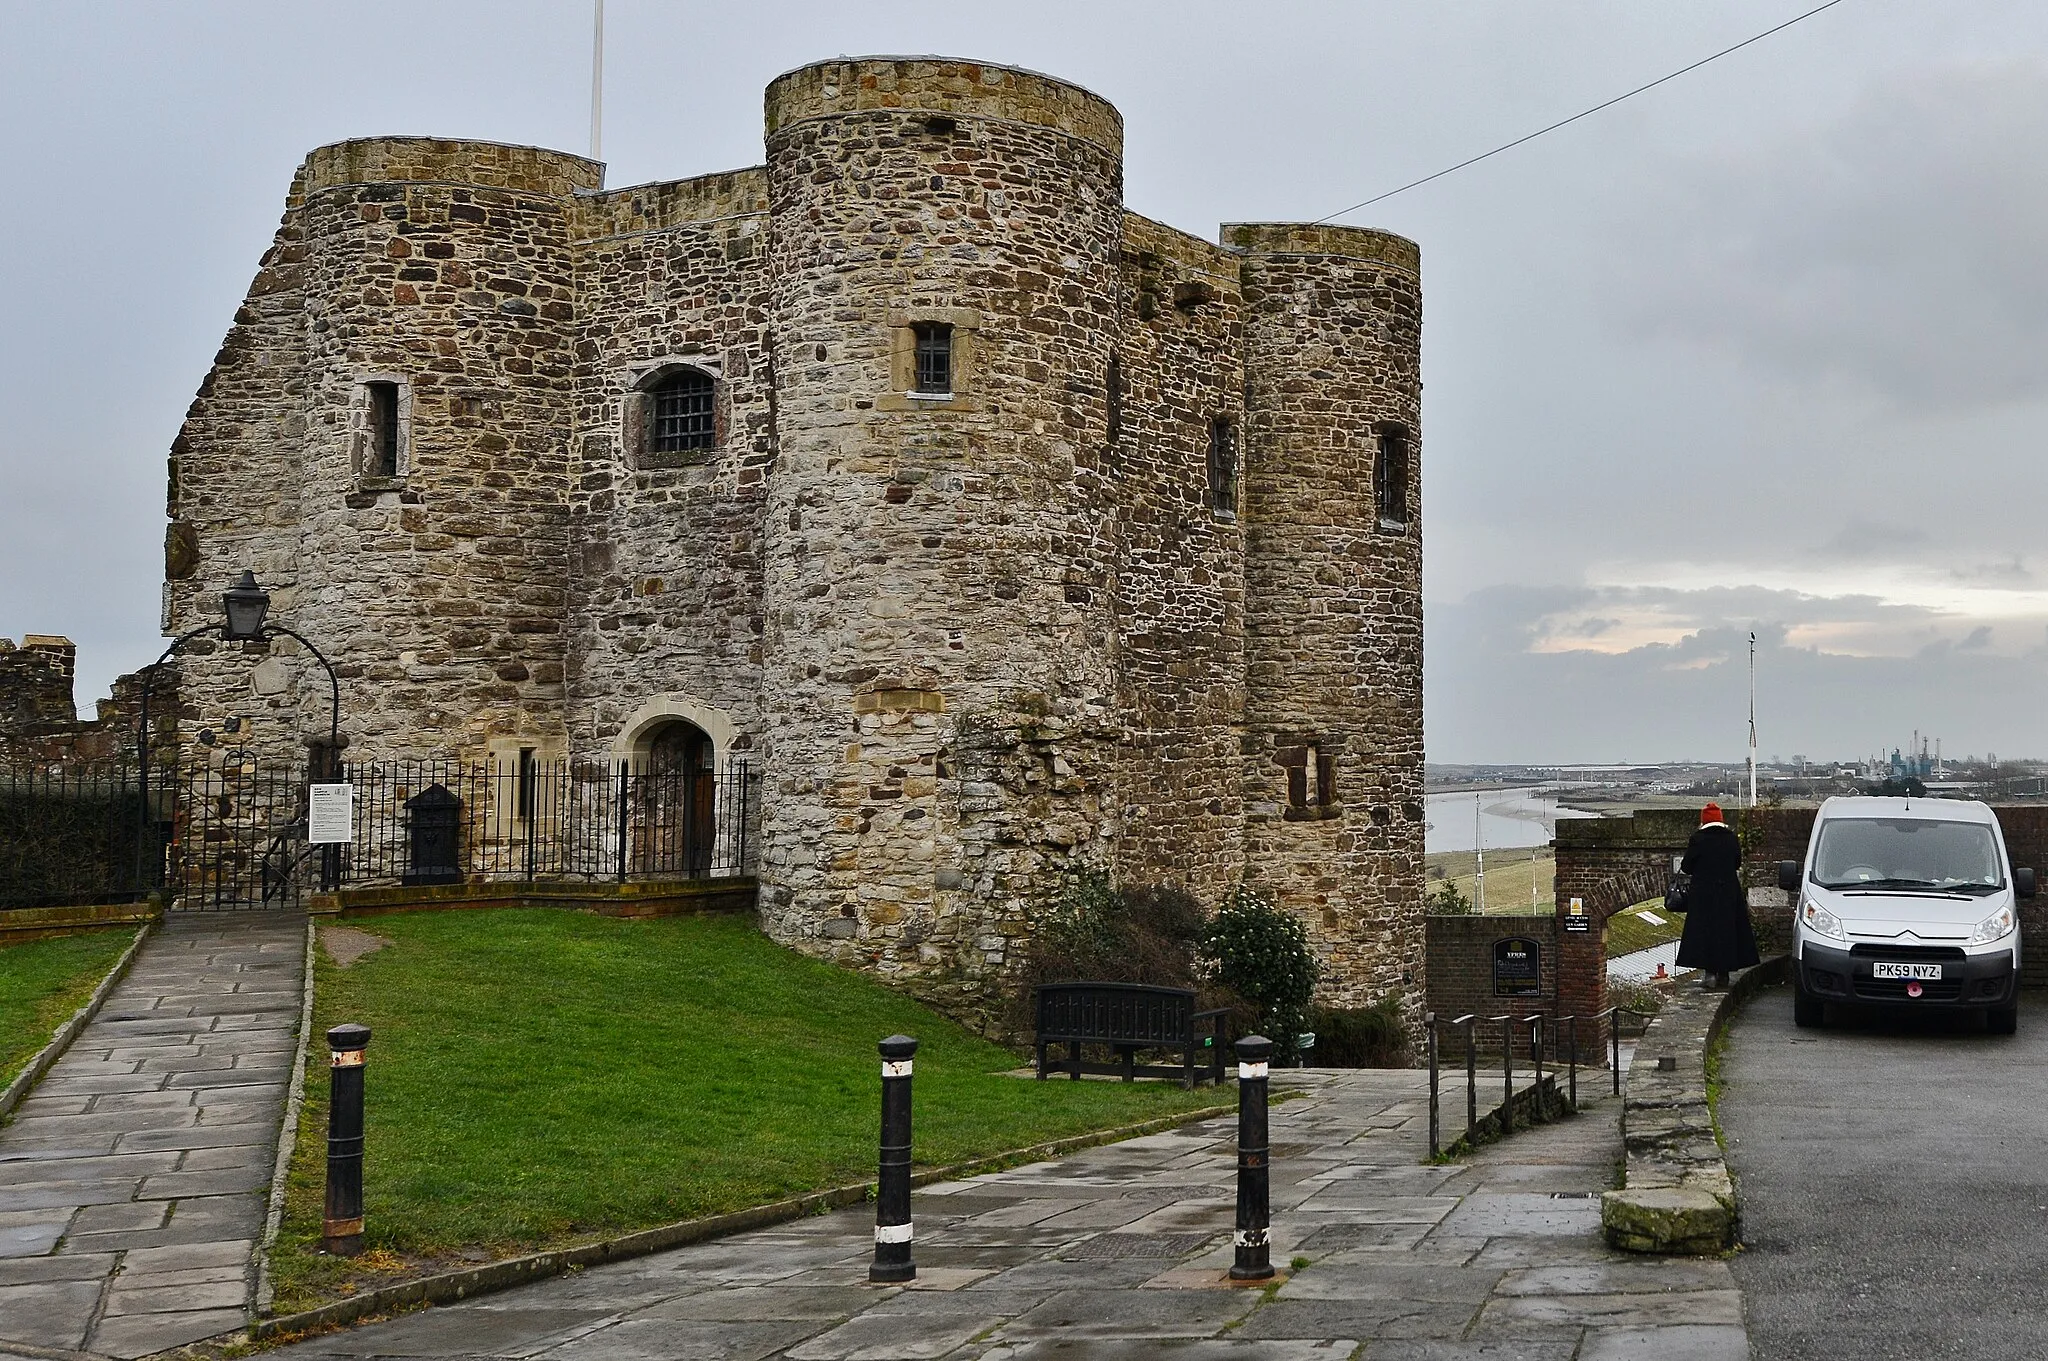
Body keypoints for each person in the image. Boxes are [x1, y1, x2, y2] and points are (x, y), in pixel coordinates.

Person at [1676, 802, 1760, 990]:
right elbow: (1737, 863)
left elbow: (1687, 866)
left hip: (1703, 894)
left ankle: (1710, 974)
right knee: (1727, 931)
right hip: (1728, 892)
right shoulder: (1731, 838)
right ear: (1721, 819)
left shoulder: (1698, 839)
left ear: (1704, 820)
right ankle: (1724, 973)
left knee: (1705, 932)